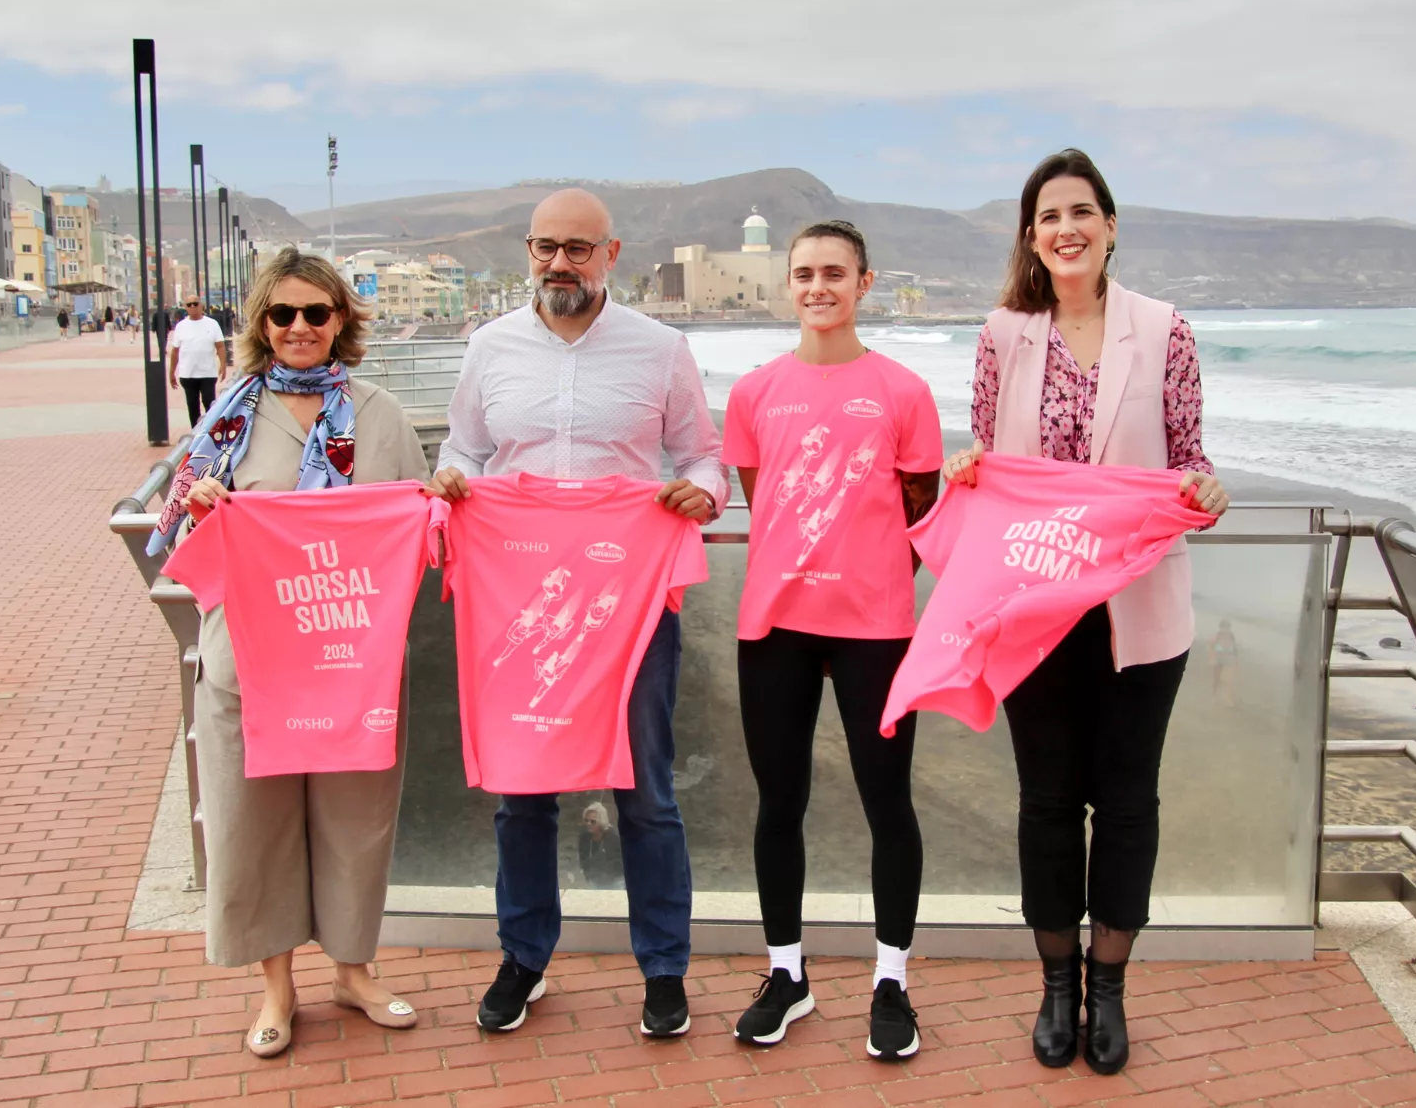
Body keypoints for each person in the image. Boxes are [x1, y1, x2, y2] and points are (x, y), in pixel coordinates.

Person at [942, 149, 1229, 1075]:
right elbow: (991, 458)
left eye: (1080, 212)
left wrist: (1206, 490)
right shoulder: (1003, 334)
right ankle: (1056, 984)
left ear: (1109, 226)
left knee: (1130, 803)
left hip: (1138, 611)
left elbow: (1188, 457)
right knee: (1048, 802)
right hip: (1036, 609)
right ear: (1032, 237)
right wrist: (964, 469)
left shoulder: (1165, 328)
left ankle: (1110, 985)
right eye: (1048, 216)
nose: (1065, 229)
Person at [427, 188, 726, 1040]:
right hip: (519, 604)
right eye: (545, 248)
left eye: (578, 249)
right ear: (529, 251)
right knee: (521, 794)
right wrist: (452, 480)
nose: (560, 263)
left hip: (627, 603)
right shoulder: (489, 347)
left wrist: (701, 494)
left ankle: (664, 970)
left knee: (646, 791)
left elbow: (703, 456)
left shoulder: (661, 350)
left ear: (611, 254)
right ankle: (524, 958)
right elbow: (464, 447)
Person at [164, 247, 429, 1058]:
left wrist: (447, 502)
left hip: (353, 665)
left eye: (316, 312)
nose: (300, 327)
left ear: (341, 319)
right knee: (254, 824)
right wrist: (201, 505)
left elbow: (420, 529)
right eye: (283, 313)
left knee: (356, 820)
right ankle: (276, 987)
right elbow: (174, 537)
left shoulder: (381, 415)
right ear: (262, 323)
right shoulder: (227, 420)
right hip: (251, 663)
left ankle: (353, 971)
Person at [720, 221, 940, 1059]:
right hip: (774, 625)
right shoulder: (754, 392)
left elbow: (920, 511)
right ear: (788, 283)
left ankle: (891, 982)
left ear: (864, 282)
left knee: (889, 804)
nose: (819, 287)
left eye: (835, 273)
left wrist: (865, 574)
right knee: (780, 805)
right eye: (805, 273)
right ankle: (788, 977)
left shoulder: (903, 391)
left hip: (875, 631)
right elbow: (762, 494)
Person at [167, 296, 229, 426]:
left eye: (195, 304)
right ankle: (196, 434)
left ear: (201, 306)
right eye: (189, 304)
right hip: (188, 374)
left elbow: (220, 346)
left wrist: (223, 365)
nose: (192, 307)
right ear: (185, 307)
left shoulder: (212, 324)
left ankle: (210, 432)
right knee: (192, 407)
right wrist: (172, 372)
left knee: (210, 404)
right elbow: (175, 351)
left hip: (208, 373)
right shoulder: (181, 326)